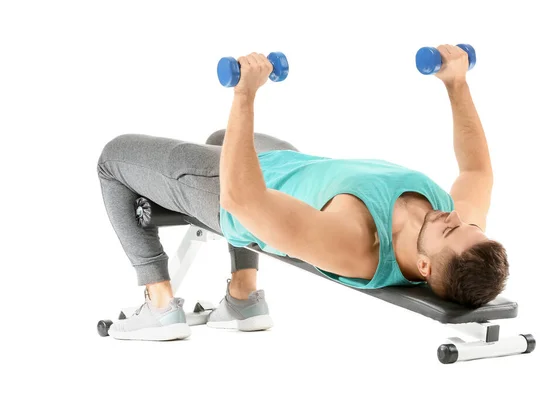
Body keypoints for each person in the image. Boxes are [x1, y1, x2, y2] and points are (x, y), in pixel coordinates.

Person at [97, 45, 508, 341]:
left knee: (113, 158)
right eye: (467, 224)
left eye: (453, 231)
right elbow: (476, 169)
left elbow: (243, 200)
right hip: (294, 166)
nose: (454, 217)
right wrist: (456, 83)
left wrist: (245, 93)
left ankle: (158, 301)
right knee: (221, 138)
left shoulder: (356, 244)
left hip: (232, 189)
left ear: (424, 268)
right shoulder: (452, 229)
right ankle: (243, 298)